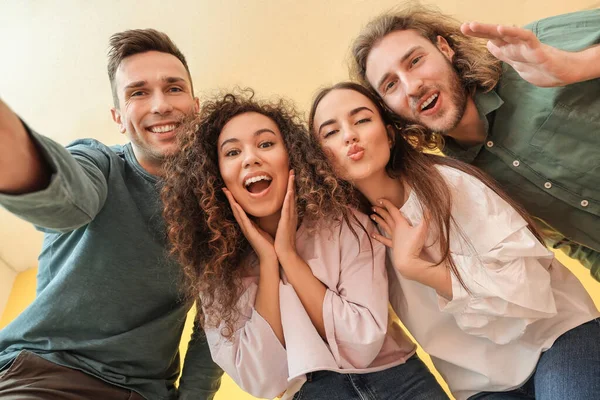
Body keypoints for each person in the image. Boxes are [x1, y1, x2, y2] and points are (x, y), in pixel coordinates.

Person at [309, 81, 600, 400]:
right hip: (480, 383)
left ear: (390, 134)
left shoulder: (449, 184)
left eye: (362, 120)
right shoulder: (349, 237)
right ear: (321, 158)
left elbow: (528, 290)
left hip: (554, 335)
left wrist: (418, 268)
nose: (350, 135)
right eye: (330, 132)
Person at [161, 90, 450, 400]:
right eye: (232, 152)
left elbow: (364, 341)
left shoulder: (345, 223)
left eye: (266, 144)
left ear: (292, 157)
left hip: (401, 383)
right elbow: (262, 380)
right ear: (216, 175)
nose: (251, 158)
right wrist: (269, 263)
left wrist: (289, 257)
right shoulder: (216, 270)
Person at [0, 29, 222, 399]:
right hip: (46, 375)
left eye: (174, 88)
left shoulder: (217, 209)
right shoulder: (99, 163)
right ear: (118, 117)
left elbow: (215, 323)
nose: (160, 105)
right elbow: (65, 200)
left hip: (147, 393)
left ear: (195, 107)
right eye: (138, 92)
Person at [350, 5, 600, 281]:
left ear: (444, 48)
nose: (412, 86)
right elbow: (571, 239)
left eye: (415, 61)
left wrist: (579, 66)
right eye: (390, 85)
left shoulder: (533, 51)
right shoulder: (468, 184)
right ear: (389, 111)